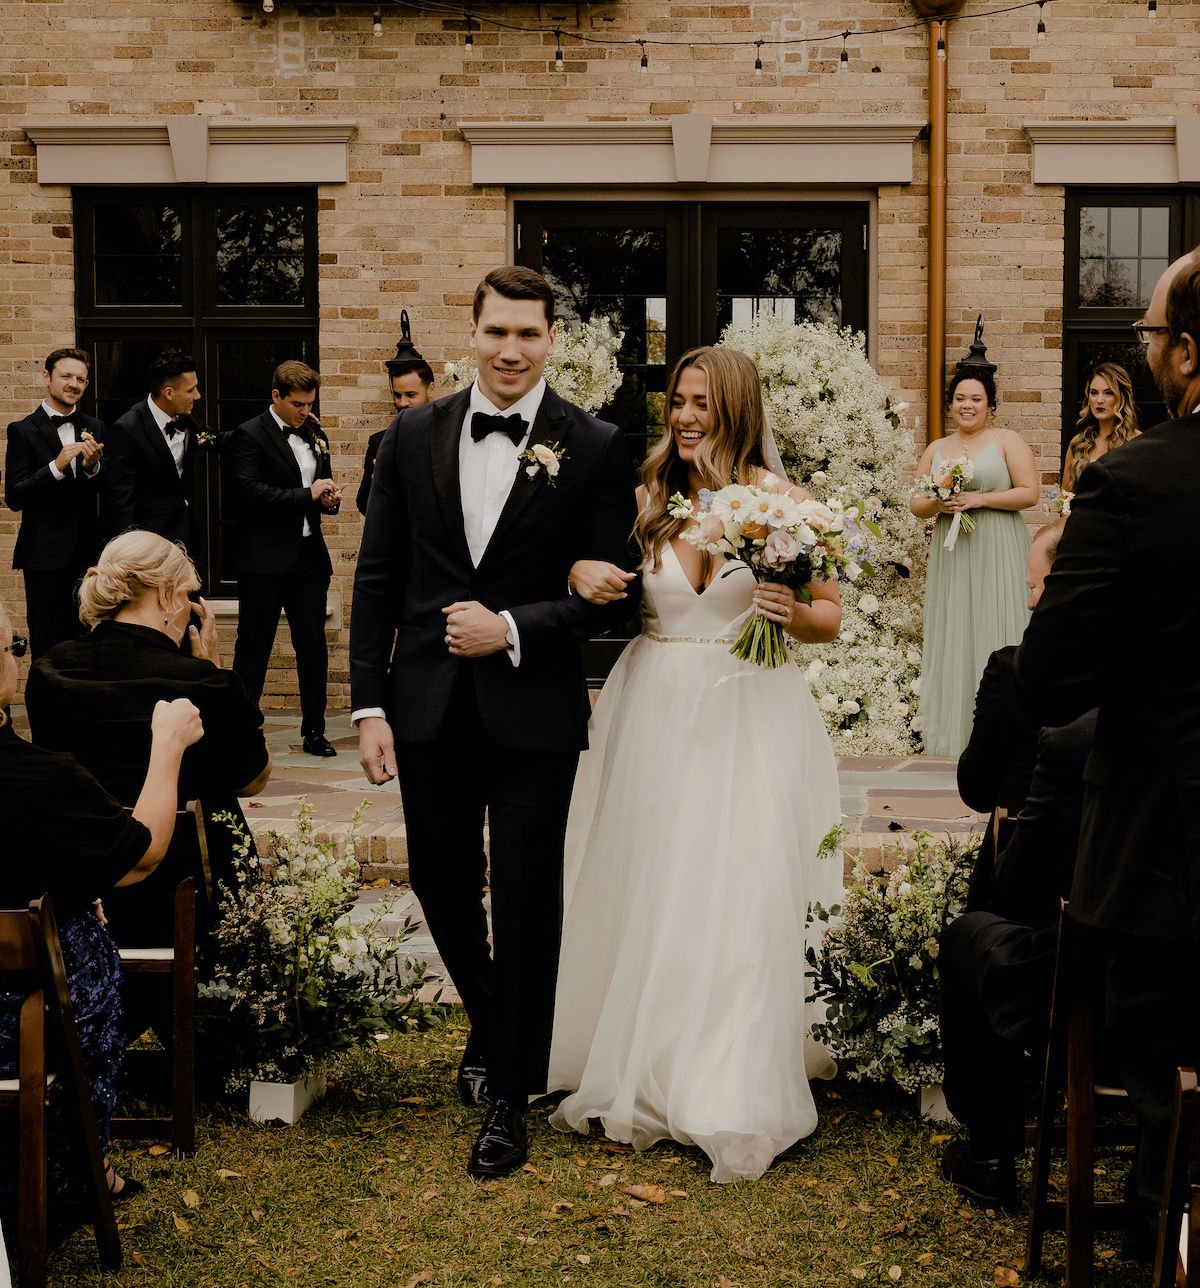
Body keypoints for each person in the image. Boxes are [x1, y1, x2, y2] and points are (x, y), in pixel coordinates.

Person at [350, 264, 639, 1180]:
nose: (511, 350)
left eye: (529, 334)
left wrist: (513, 625)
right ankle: (496, 1025)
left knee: (523, 901)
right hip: (427, 704)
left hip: (531, 708)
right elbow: (376, 578)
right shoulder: (407, 436)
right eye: (496, 332)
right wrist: (367, 701)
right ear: (469, 335)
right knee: (439, 883)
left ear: (553, 339)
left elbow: (611, 600)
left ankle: (508, 1098)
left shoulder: (593, 445)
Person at [547, 345, 844, 1184]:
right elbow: (582, 574)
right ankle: (646, 1056)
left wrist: (793, 611)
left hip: (752, 707)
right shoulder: (645, 500)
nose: (683, 417)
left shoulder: (785, 505)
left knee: (740, 883)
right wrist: (576, 567)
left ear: (736, 409)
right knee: (656, 880)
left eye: (701, 405)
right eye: (677, 401)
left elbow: (831, 616)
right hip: (655, 707)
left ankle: (732, 1074)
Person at [1013, 251, 1200, 1246]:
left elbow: (1049, 674)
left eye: (1154, 334)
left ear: (1190, 353)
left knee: (1159, 1022)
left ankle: (1159, 1213)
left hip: (1164, 836)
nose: (1149, 349)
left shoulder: (1133, 482)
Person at [0, 594, 203, 1207]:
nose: (19, 657)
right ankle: (73, 1172)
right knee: (82, 955)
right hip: (18, 1026)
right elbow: (140, 855)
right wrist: (166, 746)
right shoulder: (41, 778)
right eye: (14, 646)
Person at [23, 530, 270, 919]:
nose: (191, 606)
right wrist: (214, 670)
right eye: (188, 594)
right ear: (165, 595)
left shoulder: (48, 673)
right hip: (189, 885)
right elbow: (252, 778)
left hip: (89, 879)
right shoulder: (204, 683)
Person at [939, 709, 1098, 1213]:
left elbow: (1016, 885)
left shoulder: (1077, 743)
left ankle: (989, 1153)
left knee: (971, 935)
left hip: (1098, 1006)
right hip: (1179, 1007)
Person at [909, 365, 1038, 757]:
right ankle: (957, 736)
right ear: (950, 404)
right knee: (958, 628)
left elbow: (1030, 492)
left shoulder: (1006, 440)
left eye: (976, 399)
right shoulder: (937, 449)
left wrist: (980, 499)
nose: (967, 406)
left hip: (997, 545)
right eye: (960, 399)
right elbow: (916, 504)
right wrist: (939, 501)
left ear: (990, 405)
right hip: (955, 553)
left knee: (998, 626)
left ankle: (1009, 736)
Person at [227, 361, 342, 756]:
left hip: (309, 560)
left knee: (312, 646)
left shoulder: (315, 432)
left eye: (310, 403)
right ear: (275, 396)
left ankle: (314, 730)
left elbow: (316, 489)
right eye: (298, 404)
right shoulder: (248, 434)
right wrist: (306, 495)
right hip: (264, 560)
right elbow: (250, 495)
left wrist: (327, 500)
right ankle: (241, 728)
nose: (306, 411)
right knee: (253, 647)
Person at [956, 518, 1065, 821]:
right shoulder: (1144, 669)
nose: (1030, 603)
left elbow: (976, 787)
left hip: (1030, 849)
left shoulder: (1010, 671)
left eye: (1034, 586)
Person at [4, 346, 105, 658]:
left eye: (81, 379)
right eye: (66, 376)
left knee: (85, 642)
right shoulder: (23, 430)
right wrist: (55, 467)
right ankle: (46, 707)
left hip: (86, 554)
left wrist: (92, 469)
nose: (74, 383)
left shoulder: (95, 427)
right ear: (47, 377)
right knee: (47, 643)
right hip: (44, 555)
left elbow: (106, 492)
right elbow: (15, 496)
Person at [103, 350, 203, 555]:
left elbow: (211, 437)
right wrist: (132, 550)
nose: (197, 396)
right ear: (169, 393)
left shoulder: (186, 417)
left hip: (183, 534)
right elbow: (122, 499)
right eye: (191, 390)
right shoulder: (127, 429)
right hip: (147, 541)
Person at [357, 328, 437, 516]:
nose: (402, 403)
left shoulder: (449, 436)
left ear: (431, 389)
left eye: (410, 395)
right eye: (397, 395)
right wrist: (380, 484)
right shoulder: (379, 442)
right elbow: (363, 505)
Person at [1060, 360, 1140, 492]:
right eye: (1094, 392)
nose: (1099, 400)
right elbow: (1065, 497)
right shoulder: (1078, 443)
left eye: (1108, 393)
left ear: (1122, 397)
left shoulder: (1137, 442)